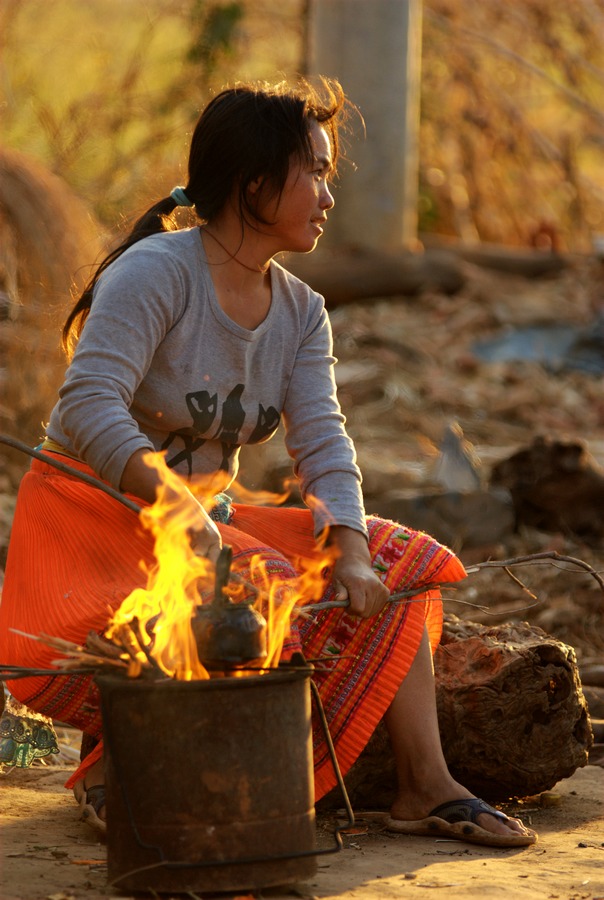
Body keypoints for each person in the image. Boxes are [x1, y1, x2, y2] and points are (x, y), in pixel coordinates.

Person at [0, 78, 535, 848]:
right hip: (93, 522)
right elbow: (88, 406)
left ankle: (426, 784)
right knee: (260, 592)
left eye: (326, 173)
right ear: (254, 184)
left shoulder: (300, 311)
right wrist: (175, 505)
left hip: (203, 528)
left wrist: (351, 554)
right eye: (311, 172)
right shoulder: (157, 274)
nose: (325, 194)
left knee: (405, 564)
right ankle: (122, 758)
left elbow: (324, 442)